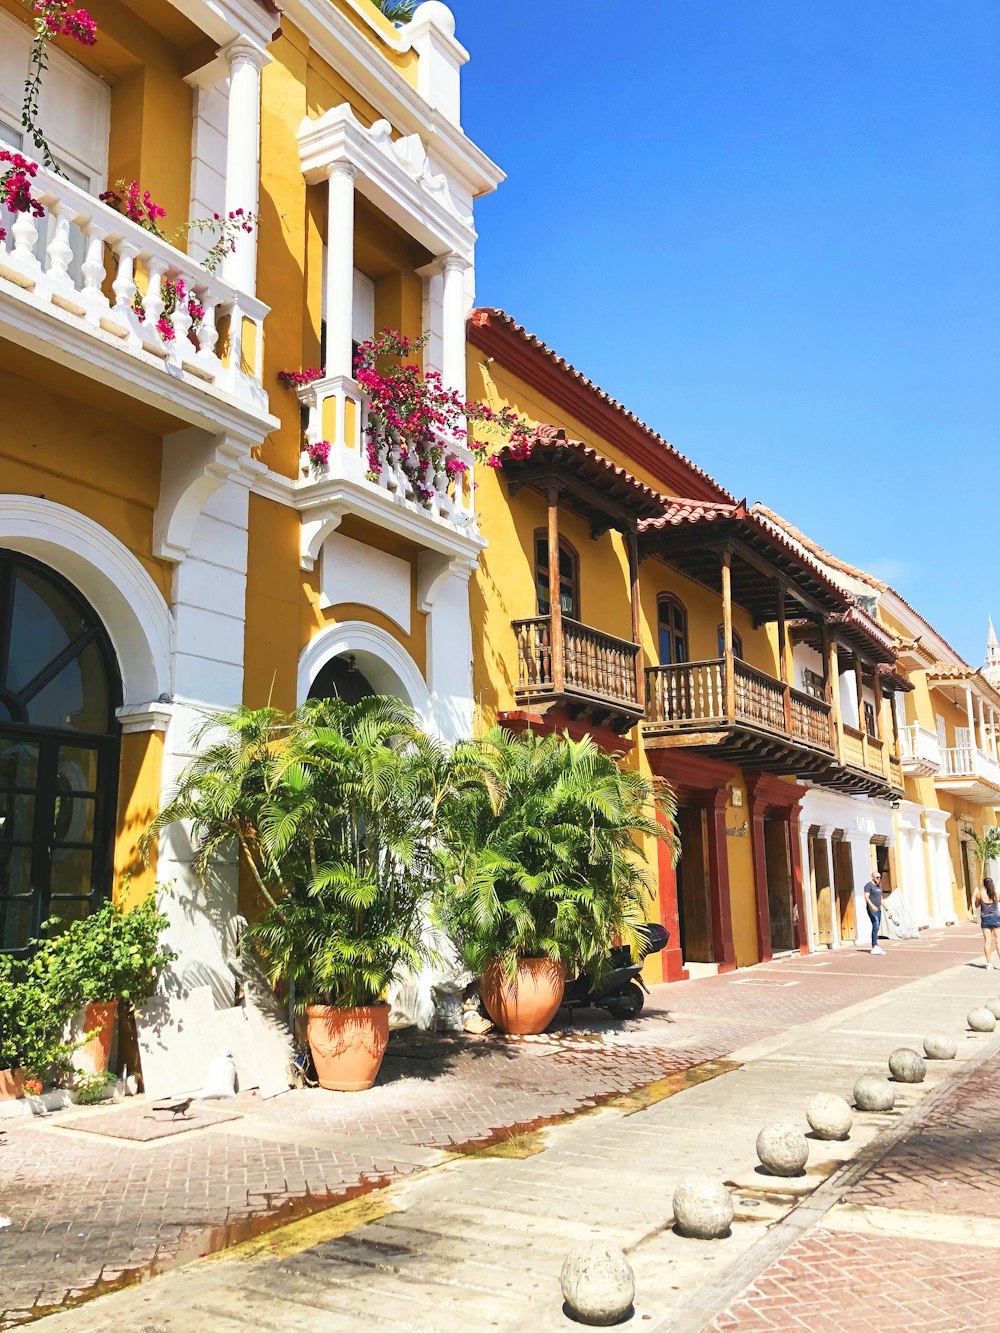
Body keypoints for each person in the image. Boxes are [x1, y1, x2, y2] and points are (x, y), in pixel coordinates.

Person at [973, 876, 1000, 969]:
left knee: (987, 941)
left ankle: (989, 964)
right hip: (996, 918)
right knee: (998, 941)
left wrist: (978, 895)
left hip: (985, 919)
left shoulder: (979, 894)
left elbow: (976, 905)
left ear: (984, 884)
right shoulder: (996, 894)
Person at [863, 870, 886, 956]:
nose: (879, 879)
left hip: (879, 909)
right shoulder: (868, 886)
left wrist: (887, 910)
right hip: (872, 909)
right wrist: (872, 906)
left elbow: (881, 900)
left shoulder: (879, 886)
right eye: (877, 877)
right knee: (875, 924)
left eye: (880, 877)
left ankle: (876, 946)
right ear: (873, 877)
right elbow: (866, 897)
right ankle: (874, 946)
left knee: (877, 927)